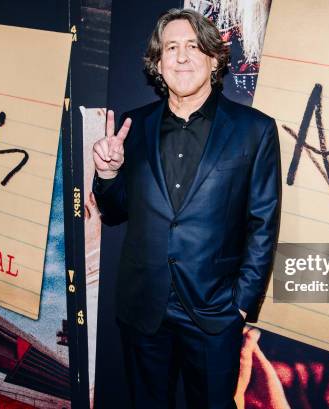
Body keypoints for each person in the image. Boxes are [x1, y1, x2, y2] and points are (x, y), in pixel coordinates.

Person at [92, 8, 281, 409]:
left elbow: (262, 224)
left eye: (193, 47)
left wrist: (242, 303)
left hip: (214, 312)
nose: (181, 56)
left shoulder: (256, 130)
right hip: (143, 309)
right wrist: (108, 174)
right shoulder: (134, 126)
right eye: (171, 47)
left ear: (214, 59)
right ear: (157, 64)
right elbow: (115, 210)